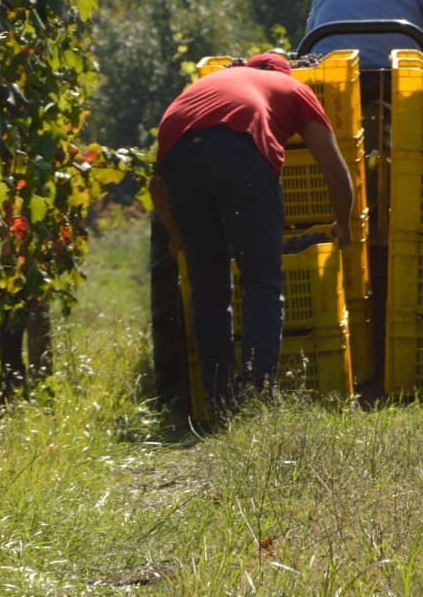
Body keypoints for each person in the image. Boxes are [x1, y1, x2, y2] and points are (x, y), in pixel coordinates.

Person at [151, 52, 354, 423]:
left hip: (179, 159)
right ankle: (257, 398)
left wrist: (176, 233)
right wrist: (343, 224)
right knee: (261, 280)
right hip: (240, 152)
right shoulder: (292, 87)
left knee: (208, 288)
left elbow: (156, 184)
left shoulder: (204, 88)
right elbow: (335, 172)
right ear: (281, 72)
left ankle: (219, 403)